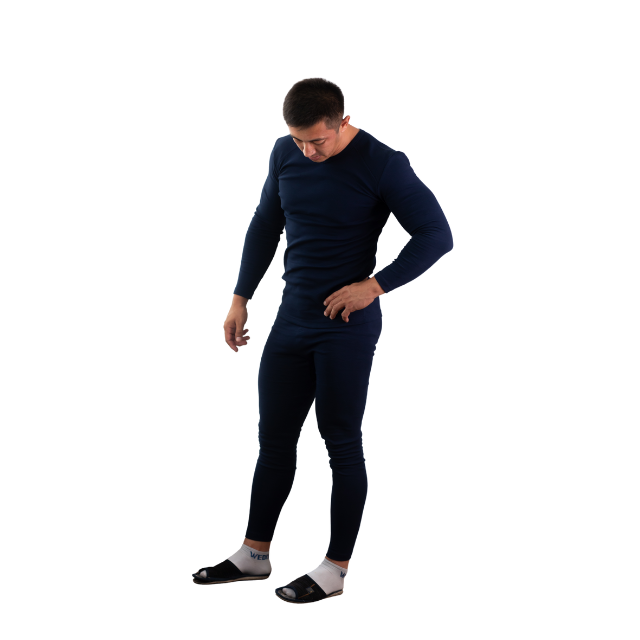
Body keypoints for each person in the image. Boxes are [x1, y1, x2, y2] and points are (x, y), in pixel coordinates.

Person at [192, 77, 454, 603]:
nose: (308, 152)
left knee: (341, 442)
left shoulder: (383, 163)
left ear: (343, 121)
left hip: (346, 328)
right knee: (274, 440)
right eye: (298, 141)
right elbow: (265, 224)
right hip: (291, 320)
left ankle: (335, 569)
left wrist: (374, 286)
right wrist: (240, 296)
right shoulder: (283, 152)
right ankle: (254, 555)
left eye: (318, 141)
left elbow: (436, 234)